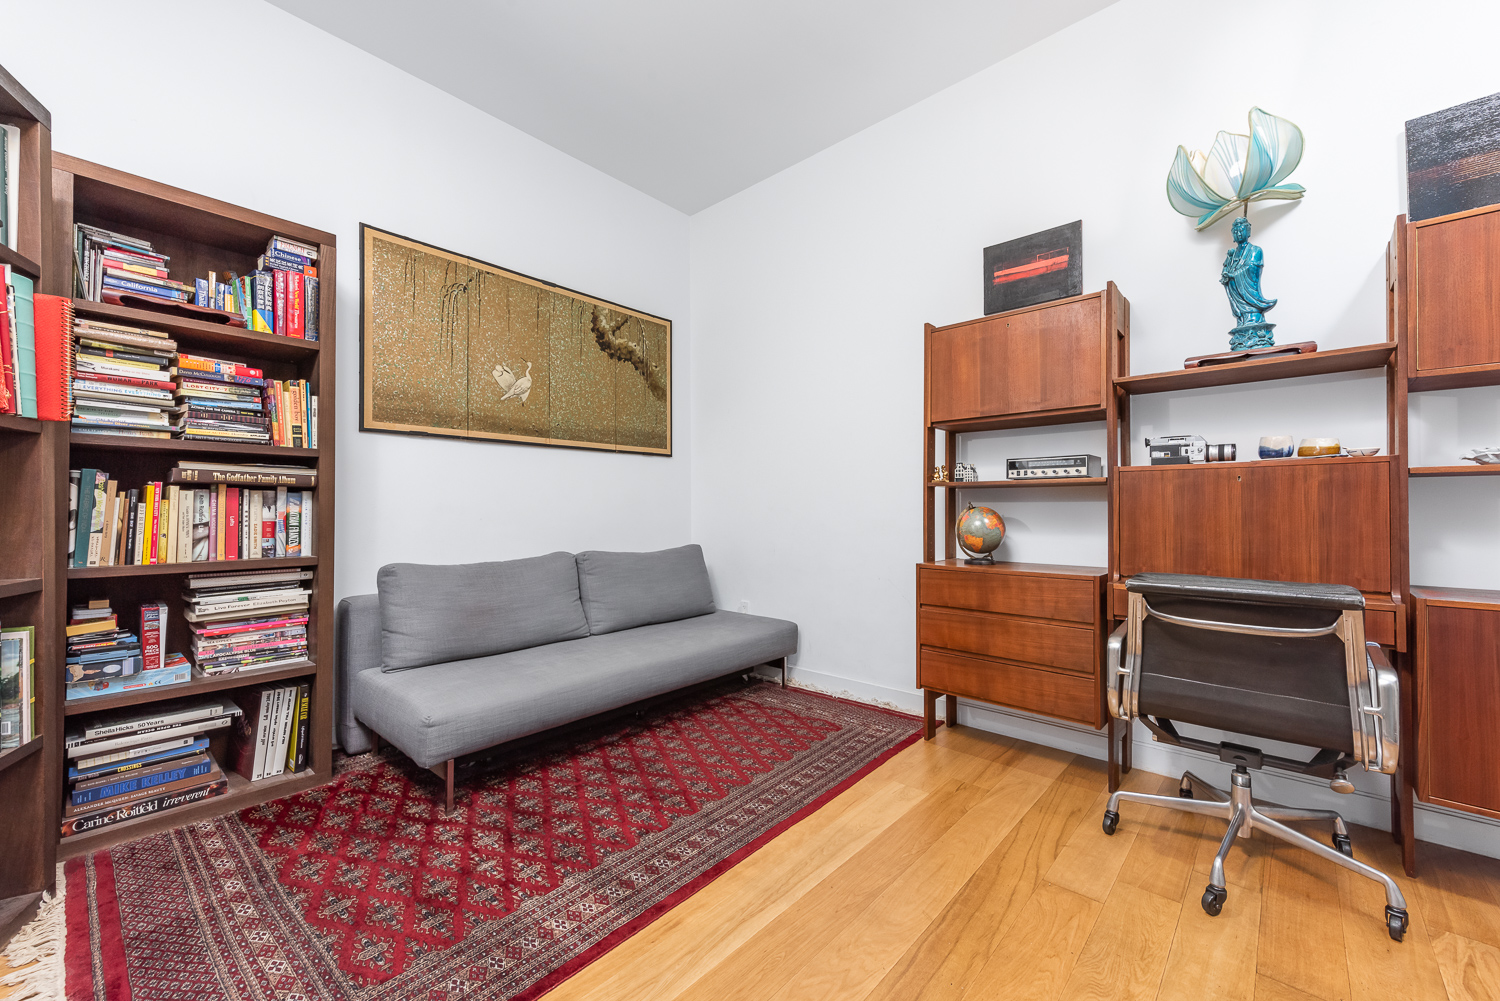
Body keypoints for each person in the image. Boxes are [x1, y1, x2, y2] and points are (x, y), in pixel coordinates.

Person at [1220, 215, 1277, 349]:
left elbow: (1251, 268)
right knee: (1241, 320)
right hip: (1237, 296)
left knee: (1253, 315)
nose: (1238, 233)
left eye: (1241, 230)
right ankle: (1242, 334)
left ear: (1248, 231)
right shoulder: (1233, 254)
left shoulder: (1255, 250)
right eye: (1235, 231)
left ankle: (1255, 332)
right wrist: (1227, 275)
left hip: (1248, 292)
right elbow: (1226, 271)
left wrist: (1234, 275)